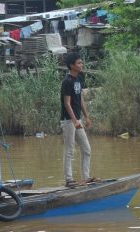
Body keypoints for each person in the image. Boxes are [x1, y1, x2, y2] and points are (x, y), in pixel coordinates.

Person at [61, 52, 98, 188]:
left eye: (81, 63)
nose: (81, 65)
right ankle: (69, 179)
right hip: (68, 120)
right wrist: (74, 120)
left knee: (86, 149)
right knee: (69, 150)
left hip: (77, 120)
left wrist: (86, 116)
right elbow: (67, 103)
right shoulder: (67, 82)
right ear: (71, 66)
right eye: (78, 63)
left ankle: (86, 177)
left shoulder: (78, 79)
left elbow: (80, 99)